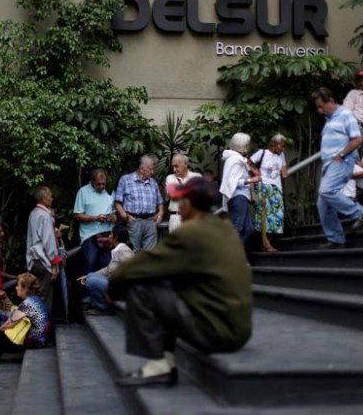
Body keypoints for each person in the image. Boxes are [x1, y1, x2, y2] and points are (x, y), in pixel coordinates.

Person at [108, 176, 252, 387]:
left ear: (191, 204)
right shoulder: (225, 230)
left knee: (142, 288)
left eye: (181, 202)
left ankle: (159, 366)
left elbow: (140, 265)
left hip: (218, 332)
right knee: (166, 282)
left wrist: (112, 289)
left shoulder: (191, 232)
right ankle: (165, 359)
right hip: (238, 329)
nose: (179, 207)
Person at [313, 87, 363, 249]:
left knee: (327, 191)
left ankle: (358, 212)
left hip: (341, 162)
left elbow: (357, 140)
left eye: (321, 106)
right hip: (329, 165)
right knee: (322, 204)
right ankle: (336, 238)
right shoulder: (330, 119)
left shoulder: (346, 115)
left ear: (330, 101)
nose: (320, 110)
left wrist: (342, 155)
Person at [0, 273, 50, 381]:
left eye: (18, 285)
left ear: (24, 288)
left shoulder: (27, 304)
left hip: (34, 341)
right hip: (39, 339)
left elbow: (10, 323)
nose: (16, 287)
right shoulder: (35, 299)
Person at [76, 224, 134, 315]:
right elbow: (107, 269)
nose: (109, 236)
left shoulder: (124, 251)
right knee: (90, 276)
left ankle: (103, 308)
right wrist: (87, 276)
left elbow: (130, 268)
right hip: (115, 285)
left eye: (111, 234)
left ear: (116, 237)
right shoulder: (117, 250)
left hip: (120, 288)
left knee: (92, 281)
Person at [248, 134, 289, 252]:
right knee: (264, 216)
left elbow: (284, 172)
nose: (283, 149)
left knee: (277, 217)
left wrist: (284, 170)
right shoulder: (262, 153)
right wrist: (256, 172)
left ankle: (267, 243)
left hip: (276, 188)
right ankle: (266, 245)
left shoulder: (281, 155)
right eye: (281, 146)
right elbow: (248, 163)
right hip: (263, 187)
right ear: (274, 144)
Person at [114, 155, 164, 251]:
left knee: (150, 253)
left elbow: (160, 202)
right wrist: (124, 215)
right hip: (134, 221)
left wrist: (160, 213)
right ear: (141, 169)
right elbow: (117, 202)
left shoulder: (153, 182)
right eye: (150, 169)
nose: (153, 172)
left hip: (150, 221)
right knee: (133, 251)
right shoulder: (125, 180)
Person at [26, 186, 63, 313]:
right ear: (43, 198)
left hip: (34, 260)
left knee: (35, 297)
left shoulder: (33, 213)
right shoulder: (45, 216)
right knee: (44, 300)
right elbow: (48, 242)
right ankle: (42, 329)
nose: (52, 199)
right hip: (43, 260)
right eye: (50, 196)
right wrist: (54, 265)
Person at [219, 133, 260, 244]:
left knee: (248, 229)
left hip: (240, 197)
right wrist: (251, 180)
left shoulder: (237, 159)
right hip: (238, 197)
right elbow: (233, 182)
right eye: (248, 144)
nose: (249, 146)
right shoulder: (235, 160)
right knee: (237, 227)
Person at [74, 169, 116, 272]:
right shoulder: (83, 192)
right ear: (92, 181)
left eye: (103, 184)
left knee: (107, 267)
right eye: (98, 184)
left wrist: (113, 218)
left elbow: (113, 212)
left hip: (106, 235)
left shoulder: (109, 192)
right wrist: (96, 218)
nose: (101, 187)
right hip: (90, 236)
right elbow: (77, 215)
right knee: (90, 266)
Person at [164, 154, 202, 233]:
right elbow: (172, 194)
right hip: (176, 218)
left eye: (176, 166)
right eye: (173, 166)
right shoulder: (170, 178)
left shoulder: (197, 177)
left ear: (185, 165)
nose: (174, 169)